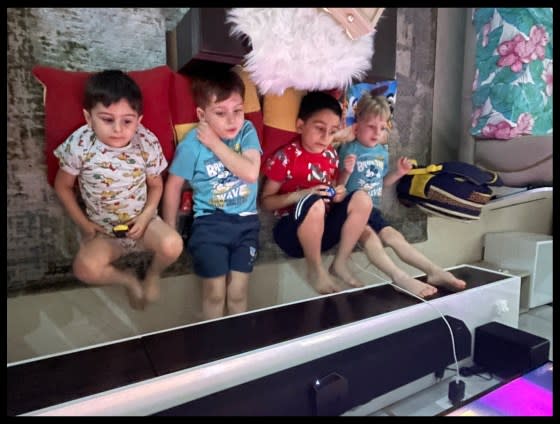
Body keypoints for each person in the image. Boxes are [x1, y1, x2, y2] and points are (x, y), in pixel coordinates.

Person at [53, 70, 183, 310]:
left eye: (127, 121)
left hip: (144, 225)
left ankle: (153, 274)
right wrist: (84, 224)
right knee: (85, 268)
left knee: (173, 245)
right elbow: (62, 186)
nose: (118, 129)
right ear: (89, 118)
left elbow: (156, 184)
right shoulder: (80, 144)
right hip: (104, 232)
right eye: (107, 119)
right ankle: (127, 280)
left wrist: (146, 216)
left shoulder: (146, 141)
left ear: (138, 120)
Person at [337, 93, 466, 297]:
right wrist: (345, 170)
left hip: (372, 209)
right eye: (371, 126)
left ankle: (434, 271)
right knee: (370, 238)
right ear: (357, 122)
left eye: (381, 128)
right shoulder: (348, 148)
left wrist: (398, 173)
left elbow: (381, 183)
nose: (376, 133)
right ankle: (400, 278)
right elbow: (338, 186)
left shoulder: (381, 151)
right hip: (350, 210)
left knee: (394, 236)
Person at [162, 69, 262, 320]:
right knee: (215, 294)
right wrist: (169, 228)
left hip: (247, 223)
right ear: (201, 115)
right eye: (220, 113)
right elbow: (173, 185)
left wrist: (215, 145)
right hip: (210, 224)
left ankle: (240, 350)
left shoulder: (247, 131)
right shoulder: (191, 145)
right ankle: (214, 347)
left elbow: (250, 173)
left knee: (238, 293)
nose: (232, 121)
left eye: (237, 110)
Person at [260, 91, 373, 294]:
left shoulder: (330, 154)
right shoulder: (286, 157)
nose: (325, 137)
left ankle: (340, 263)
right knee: (315, 202)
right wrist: (303, 194)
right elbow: (266, 202)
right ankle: (315, 269)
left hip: (324, 234)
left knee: (362, 198)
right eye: (320, 129)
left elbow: (331, 189)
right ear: (301, 126)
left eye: (332, 131)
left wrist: (340, 188)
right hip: (291, 234)